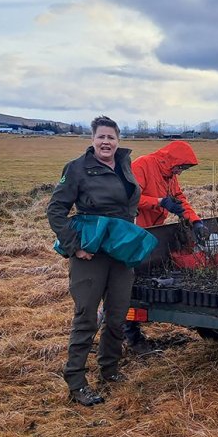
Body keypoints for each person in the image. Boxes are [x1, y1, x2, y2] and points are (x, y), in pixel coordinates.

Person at [46, 116, 142, 407]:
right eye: (101, 137)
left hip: (120, 251)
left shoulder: (124, 164)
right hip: (91, 253)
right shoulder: (77, 169)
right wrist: (75, 247)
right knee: (87, 317)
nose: (106, 142)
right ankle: (76, 382)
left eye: (111, 137)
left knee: (117, 315)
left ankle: (110, 369)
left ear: (118, 140)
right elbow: (56, 210)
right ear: (92, 139)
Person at [124, 140, 210, 353]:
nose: (180, 172)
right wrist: (160, 202)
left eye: (184, 169)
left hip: (153, 231)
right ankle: (130, 338)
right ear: (171, 160)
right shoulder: (143, 165)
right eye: (180, 167)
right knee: (126, 283)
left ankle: (129, 332)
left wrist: (196, 221)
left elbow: (179, 199)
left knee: (138, 279)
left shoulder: (170, 176)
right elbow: (129, 199)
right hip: (133, 230)